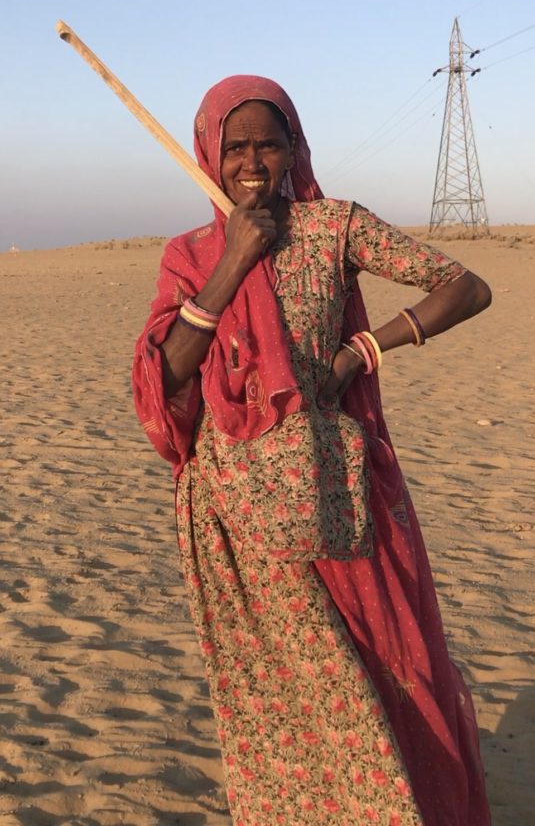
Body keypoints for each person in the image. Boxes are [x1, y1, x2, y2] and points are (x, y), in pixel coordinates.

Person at [133, 75, 492, 826]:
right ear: (209, 153)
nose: (252, 162)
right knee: (278, 698)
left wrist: (363, 350)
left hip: (338, 502)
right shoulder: (191, 253)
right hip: (233, 520)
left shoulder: (333, 227)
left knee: (381, 670)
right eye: (235, 147)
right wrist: (233, 260)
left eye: (269, 143)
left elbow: (463, 286)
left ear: (295, 148)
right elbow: (164, 378)